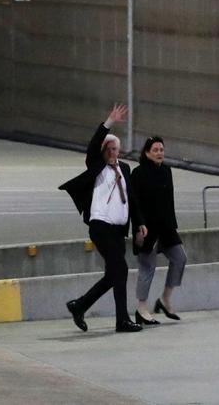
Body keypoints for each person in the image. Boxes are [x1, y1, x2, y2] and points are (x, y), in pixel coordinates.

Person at [59, 104, 145, 333]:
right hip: (100, 226)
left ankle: (80, 305)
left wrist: (140, 225)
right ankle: (122, 320)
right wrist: (109, 121)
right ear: (103, 151)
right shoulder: (97, 167)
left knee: (115, 273)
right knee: (121, 269)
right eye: (108, 149)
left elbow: (133, 200)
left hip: (118, 230)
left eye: (115, 149)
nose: (112, 153)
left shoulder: (124, 169)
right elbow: (93, 146)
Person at [131, 136, 187, 325]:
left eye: (161, 149)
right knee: (147, 267)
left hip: (166, 227)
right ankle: (141, 308)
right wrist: (139, 226)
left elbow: (168, 200)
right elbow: (135, 203)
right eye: (155, 150)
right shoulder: (138, 173)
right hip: (146, 228)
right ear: (147, 153)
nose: (159, 153)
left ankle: (164, 299)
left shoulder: (166, 171)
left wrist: (172, 226)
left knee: (180, 258)